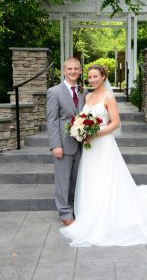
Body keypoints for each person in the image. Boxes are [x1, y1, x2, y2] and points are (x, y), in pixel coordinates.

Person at [60, 64, 147, 247]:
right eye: (89, 77)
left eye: (95, 77)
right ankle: (92, 213)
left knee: (107, 178)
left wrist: (94, 133)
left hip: (104, 144)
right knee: (93, 179)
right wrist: (81, 130)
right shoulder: (88, 96)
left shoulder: (109, 96)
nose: (92, 80)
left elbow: (115, 123)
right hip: (90, 147)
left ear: (103, 76)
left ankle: (109, 217)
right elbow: (82, 119)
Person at [46, 57, 88, 226]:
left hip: (81, 144)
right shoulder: (54, 92)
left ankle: (73, 207)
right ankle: (64, 213)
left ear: (80, 71)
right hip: (63, 144)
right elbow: (52, 120)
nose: (72, 71)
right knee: (63, 180)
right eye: (69, 69)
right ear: (64, 71)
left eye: (76, 69)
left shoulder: (83, 91)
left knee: (76, 180)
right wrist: (55, 145)